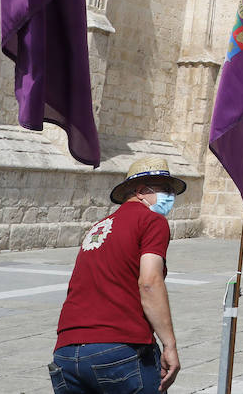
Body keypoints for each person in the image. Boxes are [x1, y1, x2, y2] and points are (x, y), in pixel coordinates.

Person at [50, 155, 186, 393]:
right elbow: (149, 283)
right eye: (165, 189)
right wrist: (169, 345)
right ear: (142, 191)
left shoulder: (99, 226)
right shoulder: (151, 221)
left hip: (67, 351)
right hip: (119, 348)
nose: (170, 197)